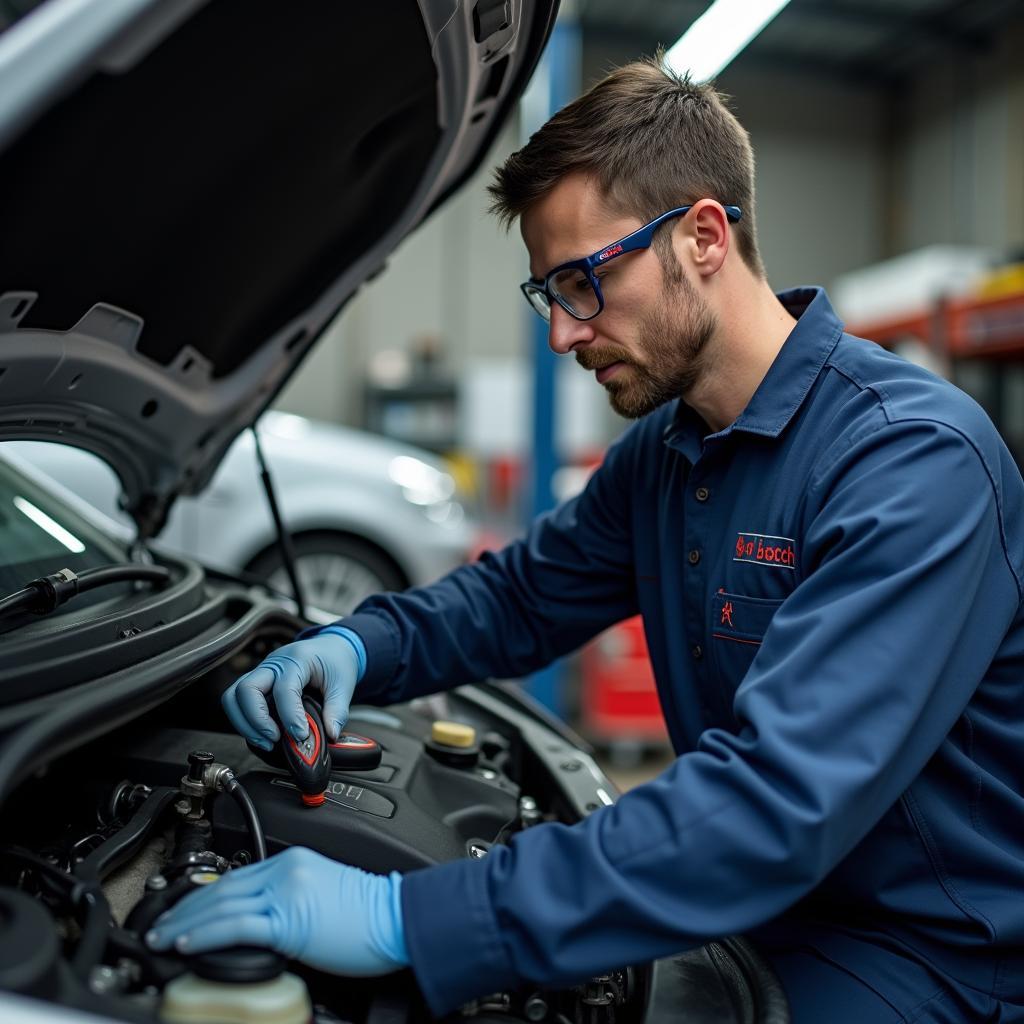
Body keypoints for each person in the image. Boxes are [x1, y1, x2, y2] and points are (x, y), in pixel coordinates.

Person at [147, 57, 1024, 1022]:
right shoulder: (669, 451)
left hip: (929, 951)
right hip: (760, 907)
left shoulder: (909, 462)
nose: (563, 336)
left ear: (701, 236)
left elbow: (775, 805)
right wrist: (359, 644)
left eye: (581, 283)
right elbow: (521, 596)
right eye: (548, 296)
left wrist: (414, 918)